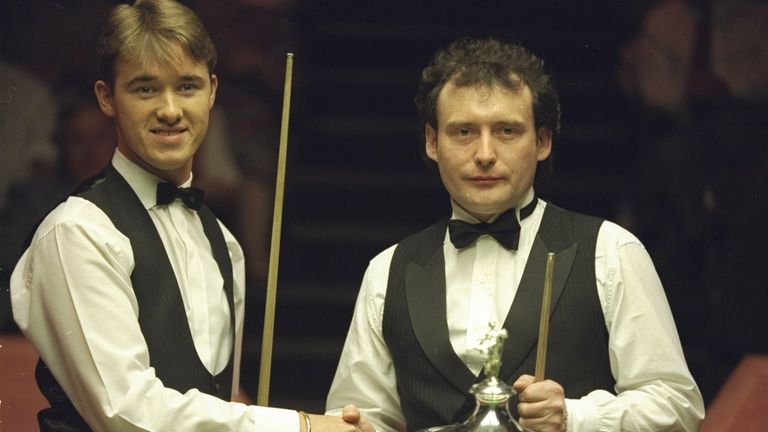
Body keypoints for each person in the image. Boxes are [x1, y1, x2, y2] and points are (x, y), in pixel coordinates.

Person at [10, 1, 373, 431]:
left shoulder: (224, 243)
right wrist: (303, 427)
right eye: (145, 88)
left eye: (187, 86)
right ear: (107, 98)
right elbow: (126, 413)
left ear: (213, 91)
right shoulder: (77, 232)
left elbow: (222, 403)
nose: (169, 109)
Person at [325, 37, 705, 432]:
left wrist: (576, 417)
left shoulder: (610, 251)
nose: (485, 153)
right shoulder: (388, 272)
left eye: (507, 130)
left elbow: (677, 405)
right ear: (432, 142)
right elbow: (358, 415)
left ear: (542, 142)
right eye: (464, 132)